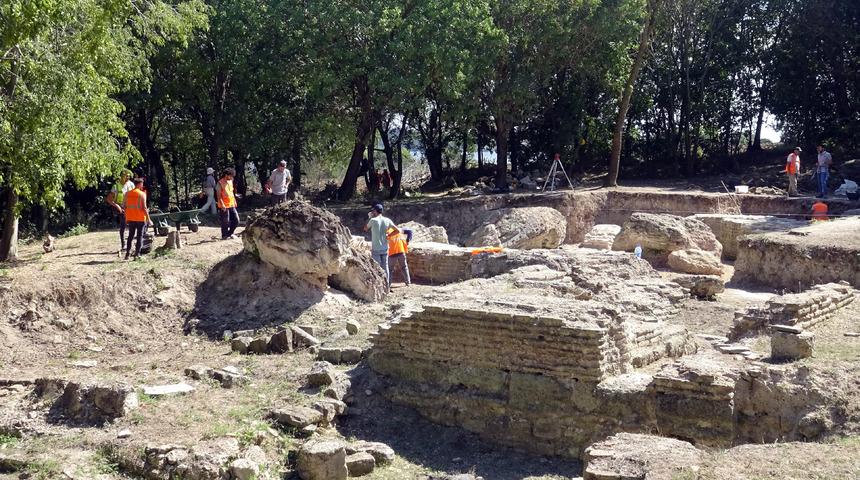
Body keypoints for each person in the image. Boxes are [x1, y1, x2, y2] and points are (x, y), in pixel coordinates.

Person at [363, 203, 399, 292]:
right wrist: (388, 236)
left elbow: (365, 229)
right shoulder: (387, 220)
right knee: (385, 267)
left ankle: (379, 287)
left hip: (376, 249)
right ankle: (387, 286)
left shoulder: (373, 220)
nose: (372, 212)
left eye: (373, 210)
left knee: (377, 268)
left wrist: (369, 218)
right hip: (385, 247)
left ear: (375, 211)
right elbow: (397, 230)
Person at [106, 170, 135, 255]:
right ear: (122, 176)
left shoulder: (131, 184)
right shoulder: (116, 186)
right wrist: (117, 206)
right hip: (121, 208)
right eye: (126, 176)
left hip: (130, 207)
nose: (128, 178)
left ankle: (130, 244)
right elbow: (109, 199)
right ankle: (124, 244)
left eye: (129, 176)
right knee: (123, 225)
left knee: (133, 225)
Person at [123, 178, 150, 260]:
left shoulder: (127, 194)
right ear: (139, 184)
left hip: (131, 218)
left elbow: (125, 206)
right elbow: (144, 208)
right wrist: (149, 219)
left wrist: (126, 217)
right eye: (142, 184)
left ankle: (127, 254)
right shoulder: (142, 194)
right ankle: (137, 255)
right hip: (140, 218)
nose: (143, 185)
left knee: (130, 236)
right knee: (139, 237)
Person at [216, 168, 240, 240]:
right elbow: (218, 196)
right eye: (231, 176)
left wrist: (234, 201)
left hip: (231, 204)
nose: (232, 177)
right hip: (224, 205)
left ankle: (230, 233)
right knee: (225, 221)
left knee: (236, 220)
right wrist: (222, 204)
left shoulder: (231, 181)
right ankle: (224, 235)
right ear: (226, 175)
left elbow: (231, 192)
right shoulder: (220, 183)